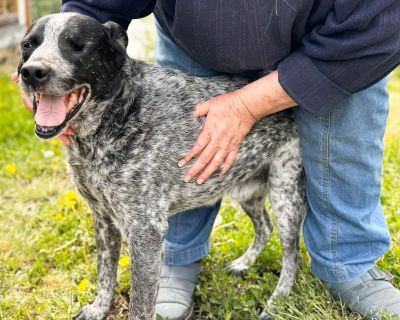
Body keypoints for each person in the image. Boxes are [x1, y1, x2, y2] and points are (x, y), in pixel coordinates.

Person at [15, 1, 400, 319]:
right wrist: (60, 50)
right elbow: (93, 8)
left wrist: (250, 104)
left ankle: (348, 261)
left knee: (343, 130)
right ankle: (177, 260)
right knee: (172, 171)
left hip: (337, 45)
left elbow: (378, 23)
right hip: (199, 37)